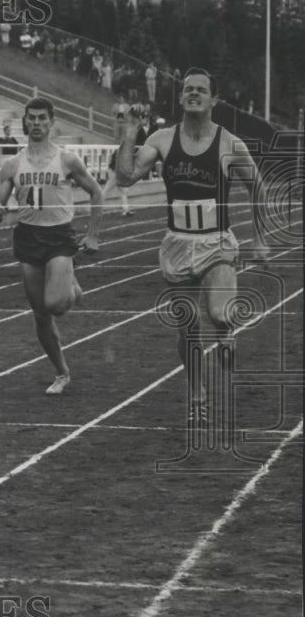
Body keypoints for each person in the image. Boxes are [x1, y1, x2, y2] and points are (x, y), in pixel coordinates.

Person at [114, 68, 269, 426]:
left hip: (217, 243)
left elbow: (257, 188)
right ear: (181, 98)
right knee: (188, 327)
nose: (193, 94)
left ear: (214, 99)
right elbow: (125, 176)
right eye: (188, 90)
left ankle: (226, 330)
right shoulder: (164, 139)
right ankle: (197, 391)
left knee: (218, 314)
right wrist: (130, 133)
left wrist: (260, 239)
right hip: (178, 244)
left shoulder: (230, 144)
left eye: (201, 90)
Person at [0, 97, 103, 394]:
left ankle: (72, 286)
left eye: (42, 119)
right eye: (32, 118)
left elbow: (96, 192)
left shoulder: (67, 160)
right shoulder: (13, 163)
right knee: (40, 314)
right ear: (24, 122)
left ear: (52, 123)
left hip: (59, 237)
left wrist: (92, 234)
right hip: (28, 237)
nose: (36, 124)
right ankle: (62, 372)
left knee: (56, 304)